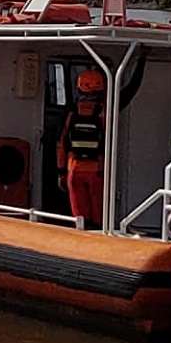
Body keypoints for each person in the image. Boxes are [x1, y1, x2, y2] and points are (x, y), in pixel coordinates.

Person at [58, 68, 108, 228]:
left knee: (79, 217)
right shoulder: (104, 112)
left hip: (74, 168)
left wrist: (61, 172)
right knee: (99, 217)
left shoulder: (72, 113)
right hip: (97, 170)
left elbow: (62, 144)